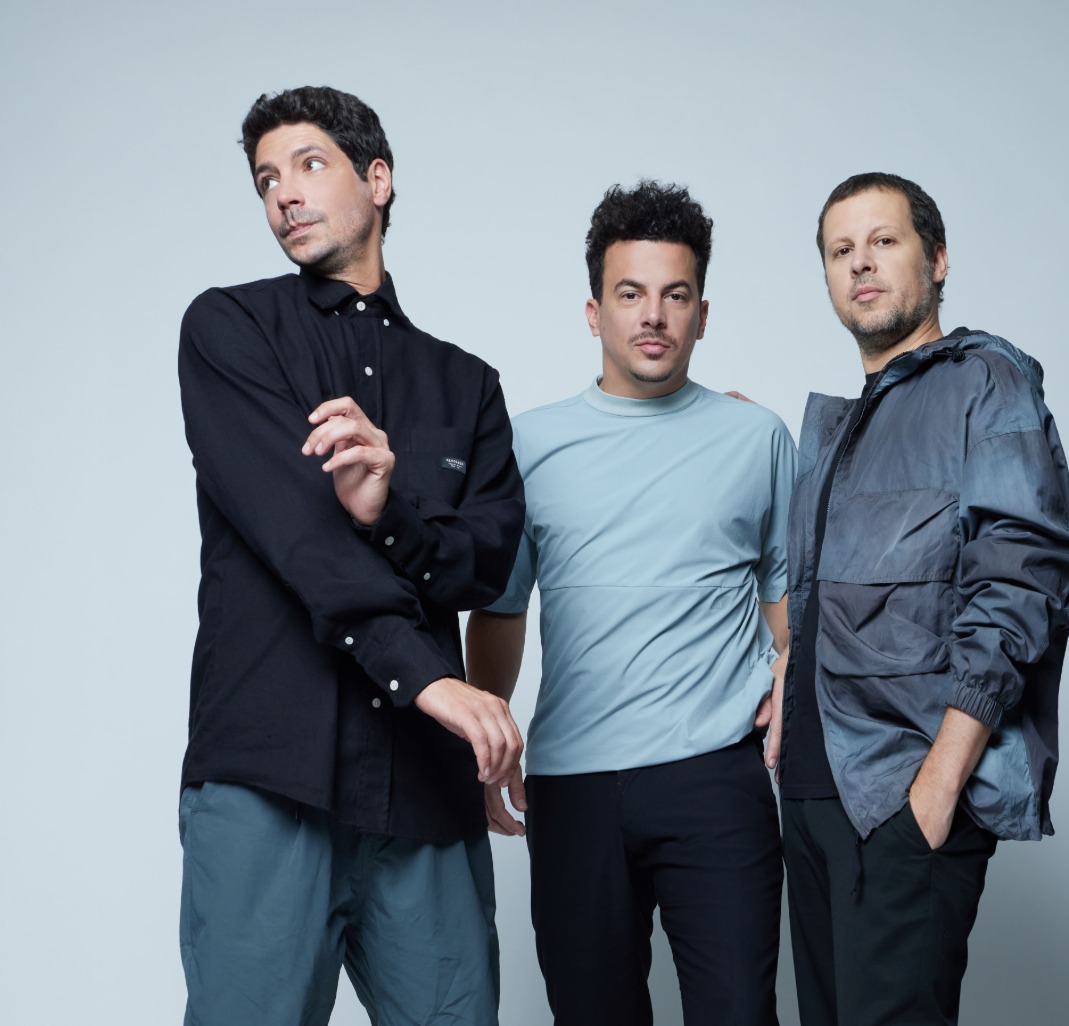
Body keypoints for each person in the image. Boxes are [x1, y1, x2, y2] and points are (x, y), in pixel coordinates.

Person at [176, 86, 525, 1026]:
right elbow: (299, 534)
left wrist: (389, 513)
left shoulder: (467, 386)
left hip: (425, 797)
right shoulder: (230, 330)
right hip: (271, 780)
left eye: (308, 165)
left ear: (378, 179)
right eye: (265, 180)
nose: (284, 194)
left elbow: (484, 566)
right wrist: (427, 677)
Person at [466, 181, 797, 1026]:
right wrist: (487, 745)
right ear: (594, 312)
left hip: (717, 778)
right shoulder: (527, 444)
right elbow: (501, 608)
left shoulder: (757, 438)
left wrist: (790, 669)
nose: (653, 315)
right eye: (630, 294)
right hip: (575, 787)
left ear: (702, 314)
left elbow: (787, 599)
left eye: (675, 295)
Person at [774, 171, 1069, 1026]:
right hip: (812, 799)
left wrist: (937, 789)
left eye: (884, 241)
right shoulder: (844, 426)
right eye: (841, 250)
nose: (860, 263)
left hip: (901, 795)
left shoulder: (985, 382)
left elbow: (1023, 579)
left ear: (938, 259)